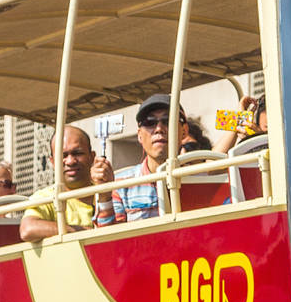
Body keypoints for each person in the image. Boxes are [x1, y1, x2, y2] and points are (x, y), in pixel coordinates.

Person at [95, 94, 179, 226]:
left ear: (184, 131)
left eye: (168, 121)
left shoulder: (200, 175)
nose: (159, 129)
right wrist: (104, 196)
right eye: (150, 122)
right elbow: (108, 239)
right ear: (139, 135)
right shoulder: (121, 183)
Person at [22, 126, 106, 241]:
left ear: (92, 157)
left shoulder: (107, 192)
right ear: (52, 162)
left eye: (77, 153)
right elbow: (28, 229)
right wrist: (79, 231)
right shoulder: (46, 197)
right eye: (63, 155)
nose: (70, 161)